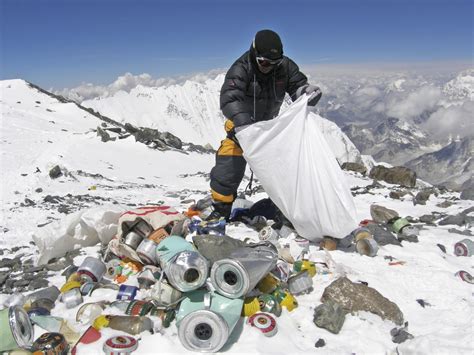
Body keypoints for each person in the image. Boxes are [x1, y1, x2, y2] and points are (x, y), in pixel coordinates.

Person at [207, 29, 322, 221]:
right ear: (254, 53)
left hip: (270, 130)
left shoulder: (285, 67)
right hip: (241, 130)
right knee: (228, 165)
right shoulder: (241, 68)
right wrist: (244, 125)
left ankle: (285, 210)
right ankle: (221, 209)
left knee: (286, 168)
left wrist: (306, 92)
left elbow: (297, 86)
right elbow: (229, 98)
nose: (268, 67)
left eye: (274, 63)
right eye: (264, 62)